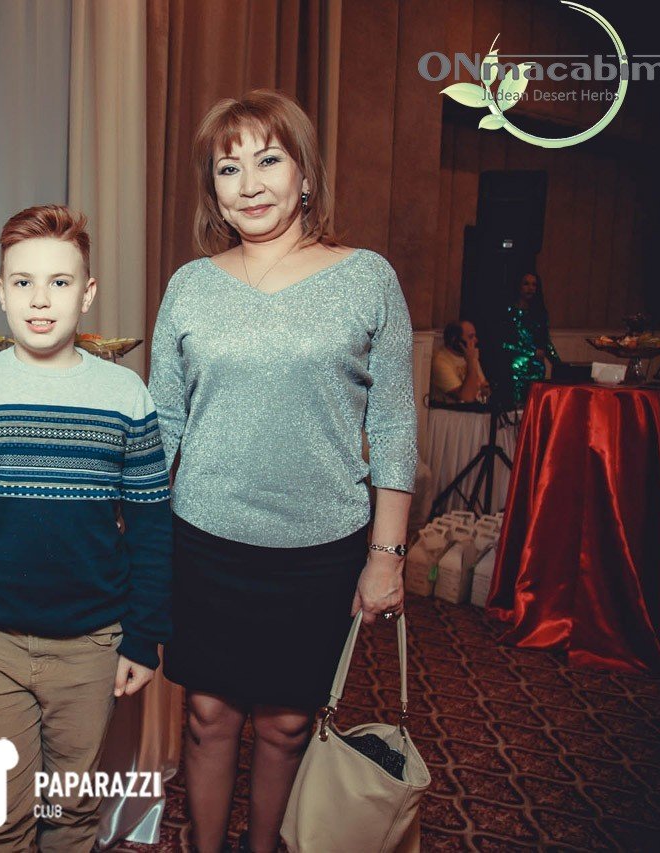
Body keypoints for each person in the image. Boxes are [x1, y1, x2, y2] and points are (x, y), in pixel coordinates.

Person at [148, 91, 417, 853]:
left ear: (304, 176)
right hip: (204, 539)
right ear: (213, 190)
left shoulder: (366, 278)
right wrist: (135, 538)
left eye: (268, 160)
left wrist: (387, 555)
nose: (250, 183)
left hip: (320, 546)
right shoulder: (191, 285)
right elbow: (162, 421)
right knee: (208, 715)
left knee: (288, 722)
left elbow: (394, 424)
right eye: (228, 168)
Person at [0, 205, 172, 851]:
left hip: (91, 645)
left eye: (60, 282)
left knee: (71, 810)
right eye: (23, 281)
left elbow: (151, 528)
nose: (40, 299)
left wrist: (143, 637)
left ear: (87, 294)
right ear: (1, 291)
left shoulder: (126, 395)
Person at [502, 271, 560, 406]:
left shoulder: (540, 313)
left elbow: (545, 341)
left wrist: (558, 364)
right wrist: (532, 352)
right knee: (517, 408)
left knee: (534, 407)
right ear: (518, 286)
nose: (530, 288)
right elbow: (504, 343)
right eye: (526, 284)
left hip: (537, 369)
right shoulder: (509, 312)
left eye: (534, 285)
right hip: (516, 368)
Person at [431, 319, 490, 404]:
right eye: (471, 337)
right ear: (455, 340)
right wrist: (471, 363)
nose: (476, 340)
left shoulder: (469, 356)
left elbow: (484, 387)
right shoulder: (440, 362)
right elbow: (466, 399)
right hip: (451, 411)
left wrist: (484, 390)